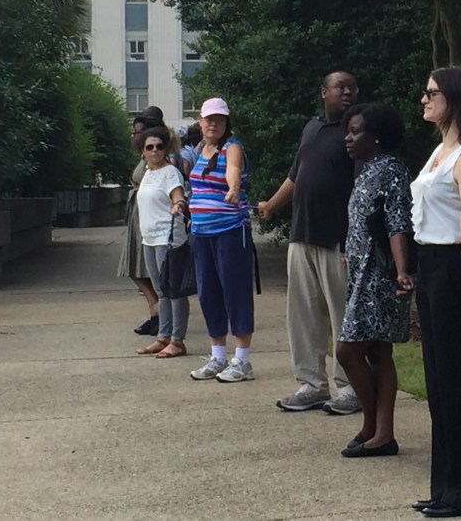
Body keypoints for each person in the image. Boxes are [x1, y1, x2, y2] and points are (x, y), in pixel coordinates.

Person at [409, 66, 461, 518]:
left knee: (458, 382)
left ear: (455, 99)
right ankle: (445, 488)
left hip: (453, 271)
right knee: (438, 384)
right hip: (429, 267)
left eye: (432, 93)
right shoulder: (439, 153)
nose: (424, 99)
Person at [257, 71, 361, 415]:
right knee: (303, 318)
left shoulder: (356, 132)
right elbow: (295, 176)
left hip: (338, 241)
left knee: (343, 317)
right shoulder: (311, 129)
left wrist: (354, 240)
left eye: (351, 87)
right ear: (323, 92)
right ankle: (312, 385)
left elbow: (362, 188)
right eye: (339, 87)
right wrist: (272, 205)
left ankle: (351, 387)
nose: (346, 92)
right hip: (302, 236)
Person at [337, 103, 414, 458]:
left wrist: (401, 270)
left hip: (380, 275)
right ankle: (380, 433)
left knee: (348, 351)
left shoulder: (392, 170)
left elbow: (398, 222)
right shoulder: (368, 170)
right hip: (361, 273)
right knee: (379, 351)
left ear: (377, 136)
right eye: (347, 132)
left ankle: (373, 424)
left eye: (356, 131)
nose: (349, 138)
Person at [188, 97, 256, 383]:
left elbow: (233, 169)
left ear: (226, 122)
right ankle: (218, 356)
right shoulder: (201, 150)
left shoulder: (233, 146)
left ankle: (242, 361)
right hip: (201, 233)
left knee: (235, 292)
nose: (213, 124)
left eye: (219, 119)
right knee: (208, 294)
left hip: (230, 230)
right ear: (201, 121)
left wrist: (233, 186)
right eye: (209, 119)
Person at [133, 126, 189, 358]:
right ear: (143, 152)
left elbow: (178, 196)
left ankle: (177, 340)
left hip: (168, 237)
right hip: (150, 238)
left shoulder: (170, 172)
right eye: (149, 147)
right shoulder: (147, 173)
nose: (155, 151)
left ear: (166, 148)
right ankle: (163, 337)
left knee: (174, 290)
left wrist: (178, 205)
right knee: (161, 290)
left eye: (159, 146)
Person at [118, 111, 163, 336]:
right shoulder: (143, 157)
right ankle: (155, 311)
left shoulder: (159, 159)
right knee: (136, 267)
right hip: (138, 215)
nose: (132, 136)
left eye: (136, 132)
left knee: (144, 268)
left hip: (149, 217)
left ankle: (158, 312)